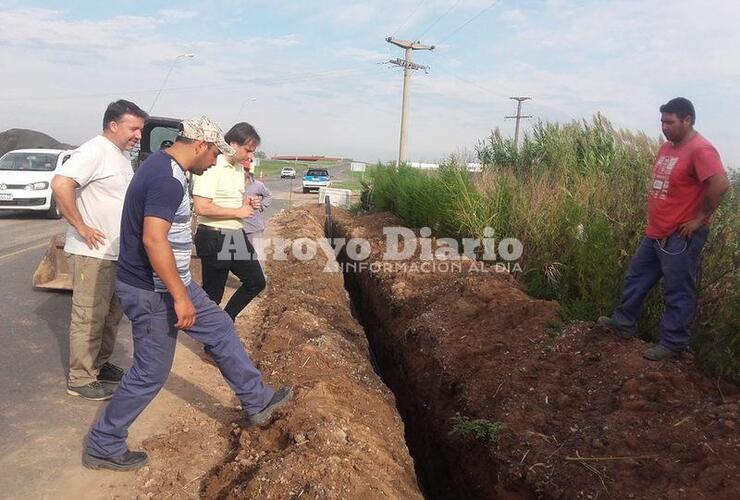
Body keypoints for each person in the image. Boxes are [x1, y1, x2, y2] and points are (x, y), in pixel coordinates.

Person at [83, 116, 292, 471]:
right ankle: (104, 443)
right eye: (214, 154)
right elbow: (153, 239)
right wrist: (179, 297)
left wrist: (182, 289)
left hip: (172, 282)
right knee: (150, 372)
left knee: (221, 328)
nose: (214, 161)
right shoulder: (166, 180)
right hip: (153, 289)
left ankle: (258, 401)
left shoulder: (167, 168)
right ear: (200, 146)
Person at [598, 98, 730, 361]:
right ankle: (623, 323)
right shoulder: (667, 148)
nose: (664, 127)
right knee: (636, 277)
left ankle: (673, 344)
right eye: (662, 122)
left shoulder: (701, 149)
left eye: (669, 122)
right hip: (657, 231)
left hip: (681, 235)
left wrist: (699, 218)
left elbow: (721, 183)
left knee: (677, 289)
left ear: (687, 120)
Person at [51, 99, 148, 400]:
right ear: (113, 125)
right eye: (134, 129)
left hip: (115, 253)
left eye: (141, 130)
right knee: (89, 316)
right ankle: (80, 378)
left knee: (110, 315)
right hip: (92, 253)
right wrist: (81, 226)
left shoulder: (118, 156)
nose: (138, 136)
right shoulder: (94, 151)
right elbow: (60, 183)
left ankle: (101, 364)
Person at [192, 122, 266, 320]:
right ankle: (211, 340)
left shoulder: (238, 169)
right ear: (233, 144)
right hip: (214, 236)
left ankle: (225, 320)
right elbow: (201, 207)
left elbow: (231, 201)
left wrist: (247, 202)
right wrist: (238, 211)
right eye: (247, 150)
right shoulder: (212, 166)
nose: (249, 156)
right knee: (213, 295)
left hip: (235, 234)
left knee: (256, 282)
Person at [241, 157, 272, 275]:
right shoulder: (231, 185)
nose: (243, 172)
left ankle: (261, 281)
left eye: (245, 170)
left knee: (258, 256)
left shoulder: (257, 185)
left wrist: (260, 207)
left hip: (254, 227)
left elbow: (268, 195)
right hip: (236, 227)